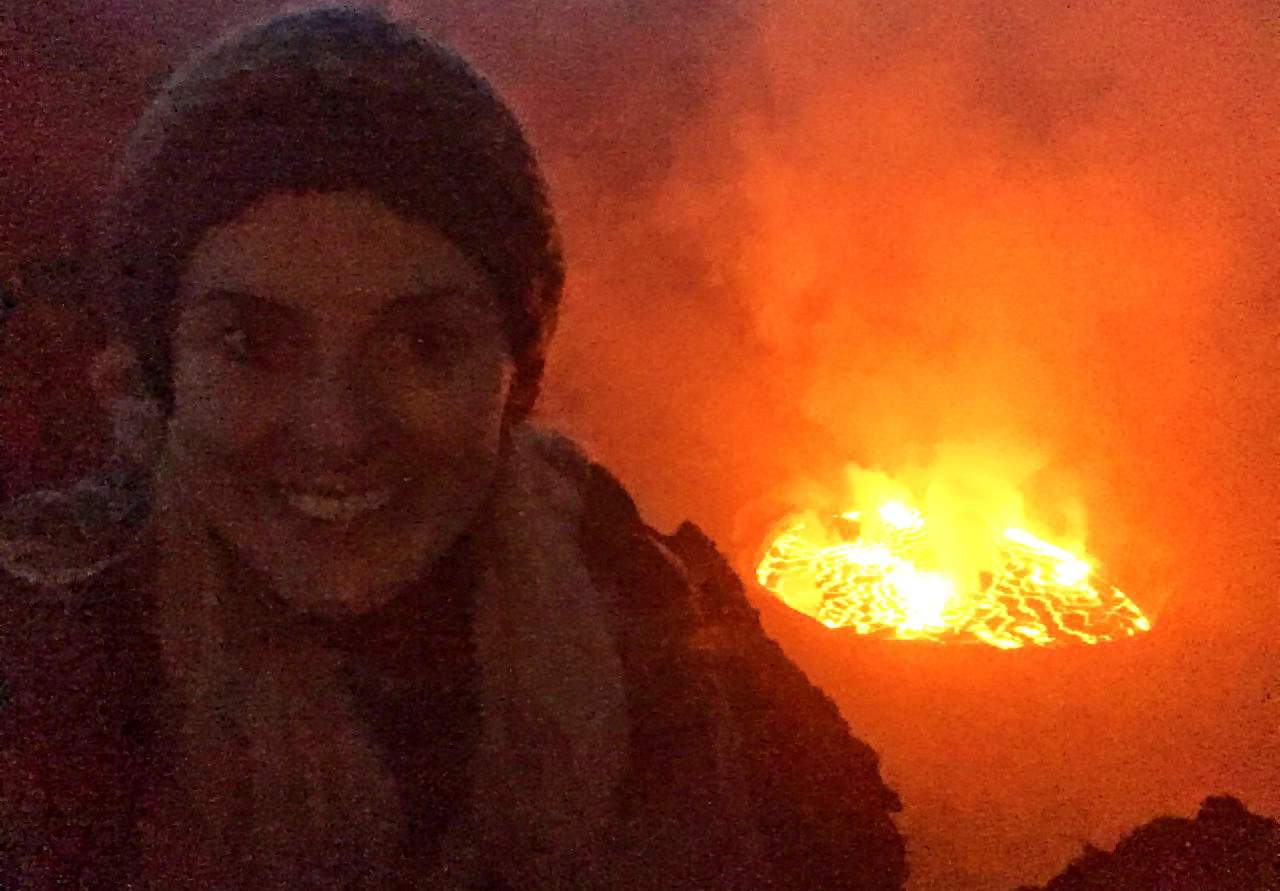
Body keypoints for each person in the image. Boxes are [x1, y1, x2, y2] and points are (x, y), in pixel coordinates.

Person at [0, 6, 906, 889]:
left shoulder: (664, 626)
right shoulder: (53, 677)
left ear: (517, 371)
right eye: (249, 343)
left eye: (422, 344)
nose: (338, 430)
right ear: (161, 371)